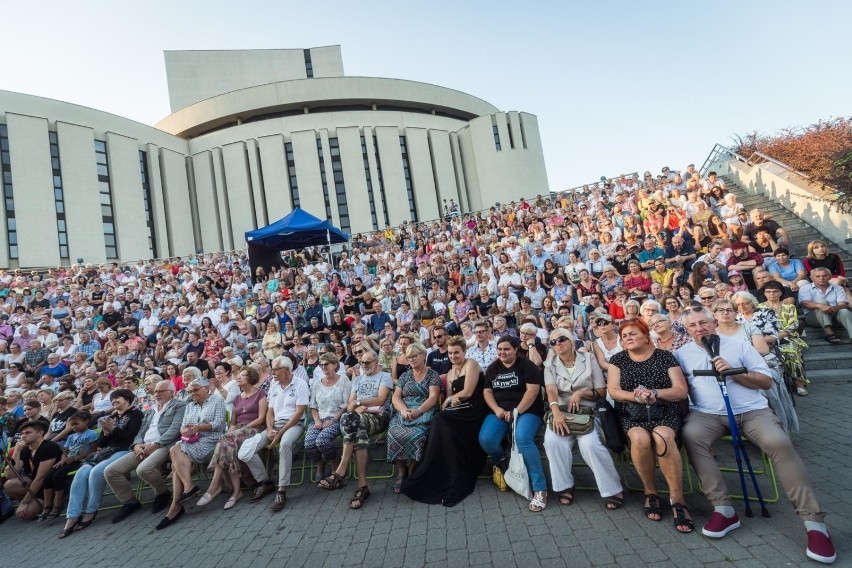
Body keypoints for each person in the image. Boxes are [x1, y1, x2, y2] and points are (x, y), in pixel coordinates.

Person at [675, 307, 836, 565]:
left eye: (703, 322)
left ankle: (814, 523)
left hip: (752, 411)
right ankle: (723, 508)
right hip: (708, 414)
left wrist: (735, 372)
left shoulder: (739, 346)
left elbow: (765, 381)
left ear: (714, 322)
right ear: (686, 329)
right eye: (692, 325)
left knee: (778, 443)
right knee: (691, 436)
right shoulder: (681, 354)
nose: (699, 328)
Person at [606, 319, 691, 533]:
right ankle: (650, 492)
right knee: (640, 438)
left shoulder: (664, 357)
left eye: (633, 334)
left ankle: (677, 499)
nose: (628, 338)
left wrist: (654, 393)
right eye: (624, 336)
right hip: (631, 414)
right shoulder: (618, 360)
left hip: (664, 411)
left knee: (662, 436)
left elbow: (681, 390)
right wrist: (638, 397)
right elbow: (614, 391)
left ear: (646, 336)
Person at [401, 336, 487, 506]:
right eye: (450, 353)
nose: (453, 356)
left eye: (456, 352)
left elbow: (468, 392)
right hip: (458, 410)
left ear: (464, 352)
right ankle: (440, 468)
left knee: (441, 418)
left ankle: (443, 467)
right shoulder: (450, 373)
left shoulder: (471, 364)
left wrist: (450, 400)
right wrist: (451, 401)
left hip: (475, 409)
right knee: (441, 419)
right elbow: (449, 396)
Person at [543, 328, 623, 509]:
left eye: (562, 339)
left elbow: (602, 391)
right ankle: (565, 485)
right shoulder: (550, 364)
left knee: (590, 444)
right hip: (561, 411)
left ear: (571, 340)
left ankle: (612, 489)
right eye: (553, 342)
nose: (558, 344)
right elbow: (551, 390)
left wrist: (580, 393)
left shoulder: (588, 358)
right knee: (552, 441)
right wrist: (555, 413)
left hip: (588, 411)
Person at [59, 388, 144, 538]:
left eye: (118, 397)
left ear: (128, 399)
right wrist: (106, 433)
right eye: (112, 398)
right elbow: (102, 443)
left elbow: (131, 438)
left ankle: (91, 511)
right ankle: (72, 515)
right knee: (81, 474)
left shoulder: (136, 414)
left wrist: (114, 429)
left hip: (125, 450)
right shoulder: (112, 416)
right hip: (107, 451)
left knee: (96, 472)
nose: (114, 400)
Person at [479, 336, 547, 512]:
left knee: (522, 438)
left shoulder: (527, 366)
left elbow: (533, 392)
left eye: (506, 349)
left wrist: (516, 412)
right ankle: (505, 463)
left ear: (516, 349)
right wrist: (496, 409)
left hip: (527, 410)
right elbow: (487, 391)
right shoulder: (494, 367)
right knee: (487, 439)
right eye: (499, 349)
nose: (502, 352)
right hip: (500, 411)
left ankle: (540, 489)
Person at [318, 349, 392, 510]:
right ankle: (362, 486)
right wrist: (357, 405)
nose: (365, 365)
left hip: (379, 418)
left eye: (368, 362)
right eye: (362, 362)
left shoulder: (384, 376)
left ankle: (340, 471)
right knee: (355, 428)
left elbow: (380, 399)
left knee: (349, 419)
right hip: (357, 419)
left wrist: (359, 403)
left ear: (376, 362)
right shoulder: (357, 380)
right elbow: (349, 405)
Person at [104, 379, 187, 523]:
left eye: (161, 391)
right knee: (111, 471)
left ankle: (162, 493)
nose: (157, 394)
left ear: (171, 393)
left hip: (165, 445)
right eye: (156, 391)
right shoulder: (150, 409)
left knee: (143, 469)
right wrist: (136, 445)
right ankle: (130, 501)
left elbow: (175, 429)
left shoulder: (179, 405)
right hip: (143, 447)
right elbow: (140, 432)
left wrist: (156, 444)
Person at [155, 377, 226, 530]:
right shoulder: (190, 405)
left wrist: (199, 427)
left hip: (212, 440)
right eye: (190, 391)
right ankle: (187, 488)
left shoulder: (216, 401)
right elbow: (182, 427)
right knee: (175, 450)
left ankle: (176, 506)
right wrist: (186, 430)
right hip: (192, 441)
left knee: (175, 464)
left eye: (195, 390)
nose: (192, 393)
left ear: (207, 389)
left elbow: (219, 424)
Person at [240, 355, 308, 513]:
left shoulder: (300, 384)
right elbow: (270, 412)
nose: (272, 372)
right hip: (275, 425)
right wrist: (270, 429)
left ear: (286, 370)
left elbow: (299, 413)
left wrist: (280, 433)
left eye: (275, 369)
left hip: (294, 424)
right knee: (245, 451)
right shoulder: (273, 384)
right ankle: (265, 481)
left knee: (284, 444)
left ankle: (282, 490)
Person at [195, 366, 267, 510]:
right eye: (238, 376)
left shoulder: (261, 393)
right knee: (228, 441)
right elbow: (233, 422)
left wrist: (240, 429)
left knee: (226, 439)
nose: (238, 378)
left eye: (243, 375)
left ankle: (217, 486)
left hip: (254, 429)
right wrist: (234, 429)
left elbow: (261, 418)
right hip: (237, 431)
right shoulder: (237, 398)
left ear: (251, 378)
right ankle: (236, 491)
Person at [387, 342, 441, 493]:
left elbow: (433, 398)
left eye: (414, 356)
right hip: (404, 411)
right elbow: (396, 397)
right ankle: (401, 470)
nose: (410, 359)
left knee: (419, 435)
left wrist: (418, 411)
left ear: (424, 356)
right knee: (393, 433)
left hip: (424, 410)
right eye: (408, 357)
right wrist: (404, 410)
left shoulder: (432, 375)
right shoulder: (404, 376)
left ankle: (413, 468)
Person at [39, 410, 98, 522]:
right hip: (68, 460)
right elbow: (65, 451)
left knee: (58, 476)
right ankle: (47, 505)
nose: (74, 427)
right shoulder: (71, 437)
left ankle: (58, 503)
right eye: (72, 425)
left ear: (86, 421)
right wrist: (62, 459)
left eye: (76, 424)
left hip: (80, 461)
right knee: (47, 477)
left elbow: (92, 450)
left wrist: (76, 458)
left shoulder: (91, 434)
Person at [2, 420, 61, 521]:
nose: (23, 436)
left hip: (49, 486)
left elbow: (40, 477)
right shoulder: (25, 449)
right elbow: (10, 475)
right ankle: (33, 501)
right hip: (34, 484)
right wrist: (16, 451)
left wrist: (25, 502)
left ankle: (51, 502)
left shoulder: (49, 447)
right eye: (22, 433)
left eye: (28, 433)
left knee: (25, 514)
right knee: (8, 486)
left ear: (40, 433)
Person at [305, 353, 351, 482]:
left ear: (335, 365)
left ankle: (335, 463)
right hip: (319, 418)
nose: (323, 367)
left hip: (337, 417)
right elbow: (313, 406)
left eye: (326, 364)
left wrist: (333, 420)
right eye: (321, 365)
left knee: (322, 441)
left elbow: (346, 404)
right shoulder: (317, 384)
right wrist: (317, 420)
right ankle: (320, 465)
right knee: (309, 443)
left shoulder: (343, 380)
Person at [760, 281, 809, 395]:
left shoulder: (789, 307)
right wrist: (768, 338)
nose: (772, 294)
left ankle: (798, 384)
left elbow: (793, 324)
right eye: (768, 291)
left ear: (781, 292)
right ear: (765, 293)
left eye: (775, 291)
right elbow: (759, 324)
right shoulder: (760, 307)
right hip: (766, 339)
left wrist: (777, 336)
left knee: (791, 352)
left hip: (788, 337)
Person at [798, 267, 852, 344]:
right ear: (811, 278)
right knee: (821, 303)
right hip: (813, 318)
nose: (821, 278)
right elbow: (805, 303)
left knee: (844, 311)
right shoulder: (805, 288)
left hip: (835, 315)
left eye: (824, 275)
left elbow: (843, 303)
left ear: (830, 277)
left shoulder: (838, 288)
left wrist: (836, 307)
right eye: (818, 276)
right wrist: (820, 306)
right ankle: (828, 332)